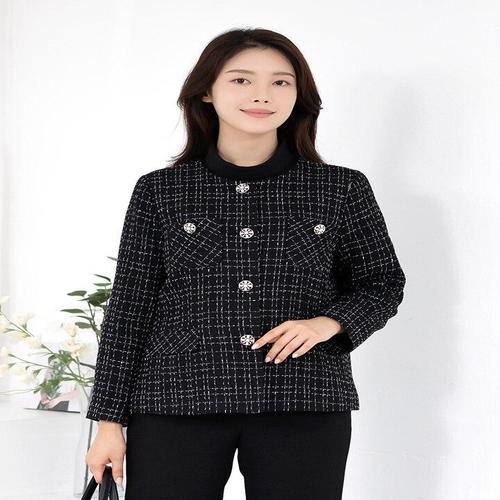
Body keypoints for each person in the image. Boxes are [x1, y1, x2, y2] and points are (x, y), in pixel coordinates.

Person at [85, 28, 406, 500]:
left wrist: (327, 324)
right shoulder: (160, 191)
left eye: (280, 82)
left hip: (303, 398)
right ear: (206, 92)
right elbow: (130, 307)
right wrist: (108, 422)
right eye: (241, 80)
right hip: (176, 399)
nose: (262, 95)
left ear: (298, 95)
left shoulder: (341, 188)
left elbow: (382, 283)